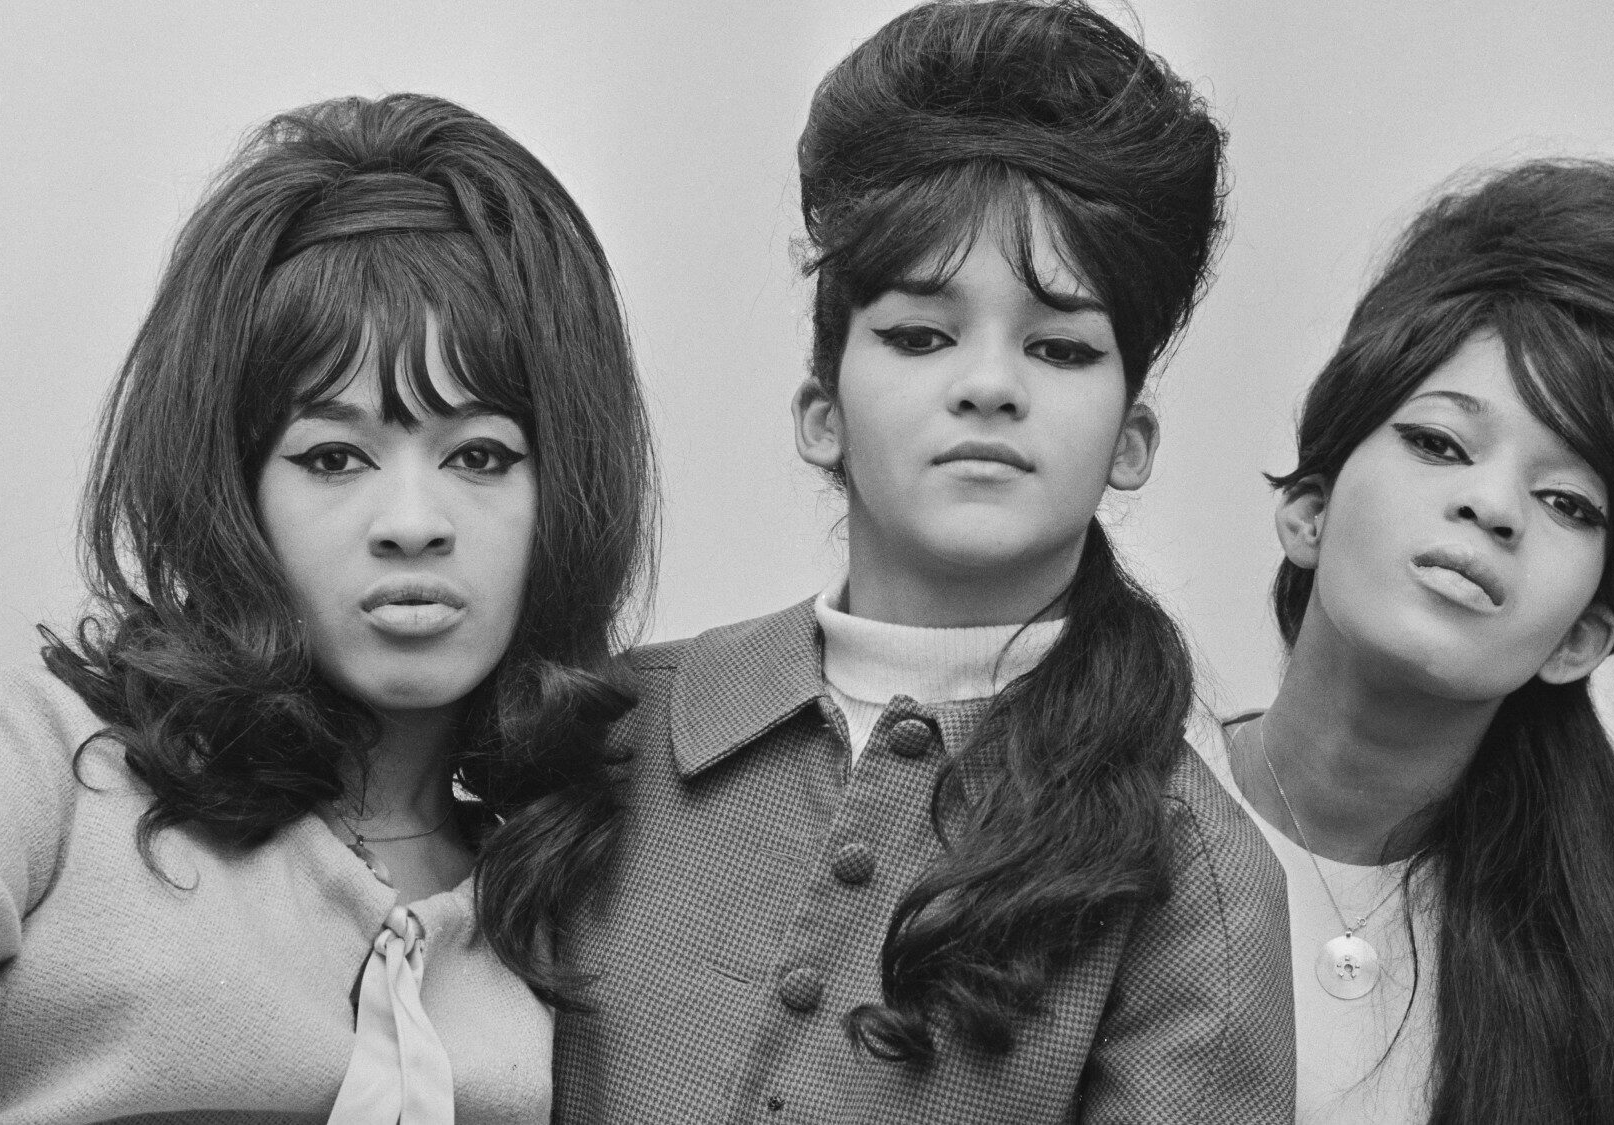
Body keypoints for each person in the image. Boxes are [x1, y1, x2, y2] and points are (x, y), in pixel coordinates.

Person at [551, 2, 1293, 1121]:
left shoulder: (1192, 875)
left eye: (1058, 347)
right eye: (919, 335)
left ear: (1130, 440)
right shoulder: (610, 735)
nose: (989, 384)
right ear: (820, 411)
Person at [0, 93, 652, 1123]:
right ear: (236, 492)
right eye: (334, 458)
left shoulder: (576, 875)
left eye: (480, 456)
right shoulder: (44, 764)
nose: (412, 523)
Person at [1206, 159, 1614, 1123]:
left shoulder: (1606, 1034)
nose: (1492, 505)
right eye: (1440, 444)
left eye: (1565, 501)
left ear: (1580, 637)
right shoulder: (1085, 832)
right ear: (1308, 511)